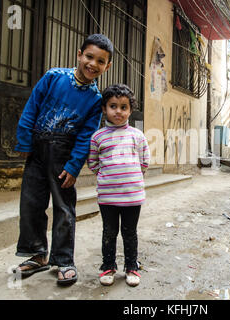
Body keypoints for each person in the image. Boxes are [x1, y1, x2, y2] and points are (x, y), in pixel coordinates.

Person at [13, 34, 113, 286]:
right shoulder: (53, 77)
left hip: (64, 154)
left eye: (100, 61)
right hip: (37, 149)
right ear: (79, 54)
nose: (92, 64)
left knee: (64, 208)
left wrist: (73, 165)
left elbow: (85, 136)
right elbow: (31, 109)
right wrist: (25, 142)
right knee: (31, 203)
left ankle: (64, 259)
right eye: (89, 57)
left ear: (107, 67)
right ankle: (36, 254)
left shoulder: (95, 100)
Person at [87, 84, 150, 287]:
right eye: (113, 106)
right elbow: (93, 163)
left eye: (124, 107)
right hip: (108, 197)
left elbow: (144, 161)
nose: (118, 111)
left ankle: (131, 267)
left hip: (132, 196)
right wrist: (108, 177)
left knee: (130, 232)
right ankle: (108, 266)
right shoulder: (98, 137)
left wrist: (130, 178)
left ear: (130, 110)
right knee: (109, 232)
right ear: (104, 109)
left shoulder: (137, 136)